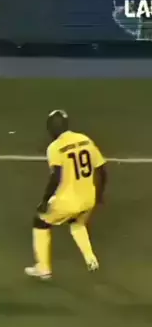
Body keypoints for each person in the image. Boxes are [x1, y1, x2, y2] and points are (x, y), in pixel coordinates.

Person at [25, 109, 107, 280]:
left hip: (68, 202)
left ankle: (43, 268)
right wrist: (99, 196)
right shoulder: (85, 139)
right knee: (77, 223)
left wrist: (45, 200)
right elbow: (102, 170)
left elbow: (56, 176)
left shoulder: (55, 147)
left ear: (51, 129)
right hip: (88, 199)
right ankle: (91, 259)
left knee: (40, 222)